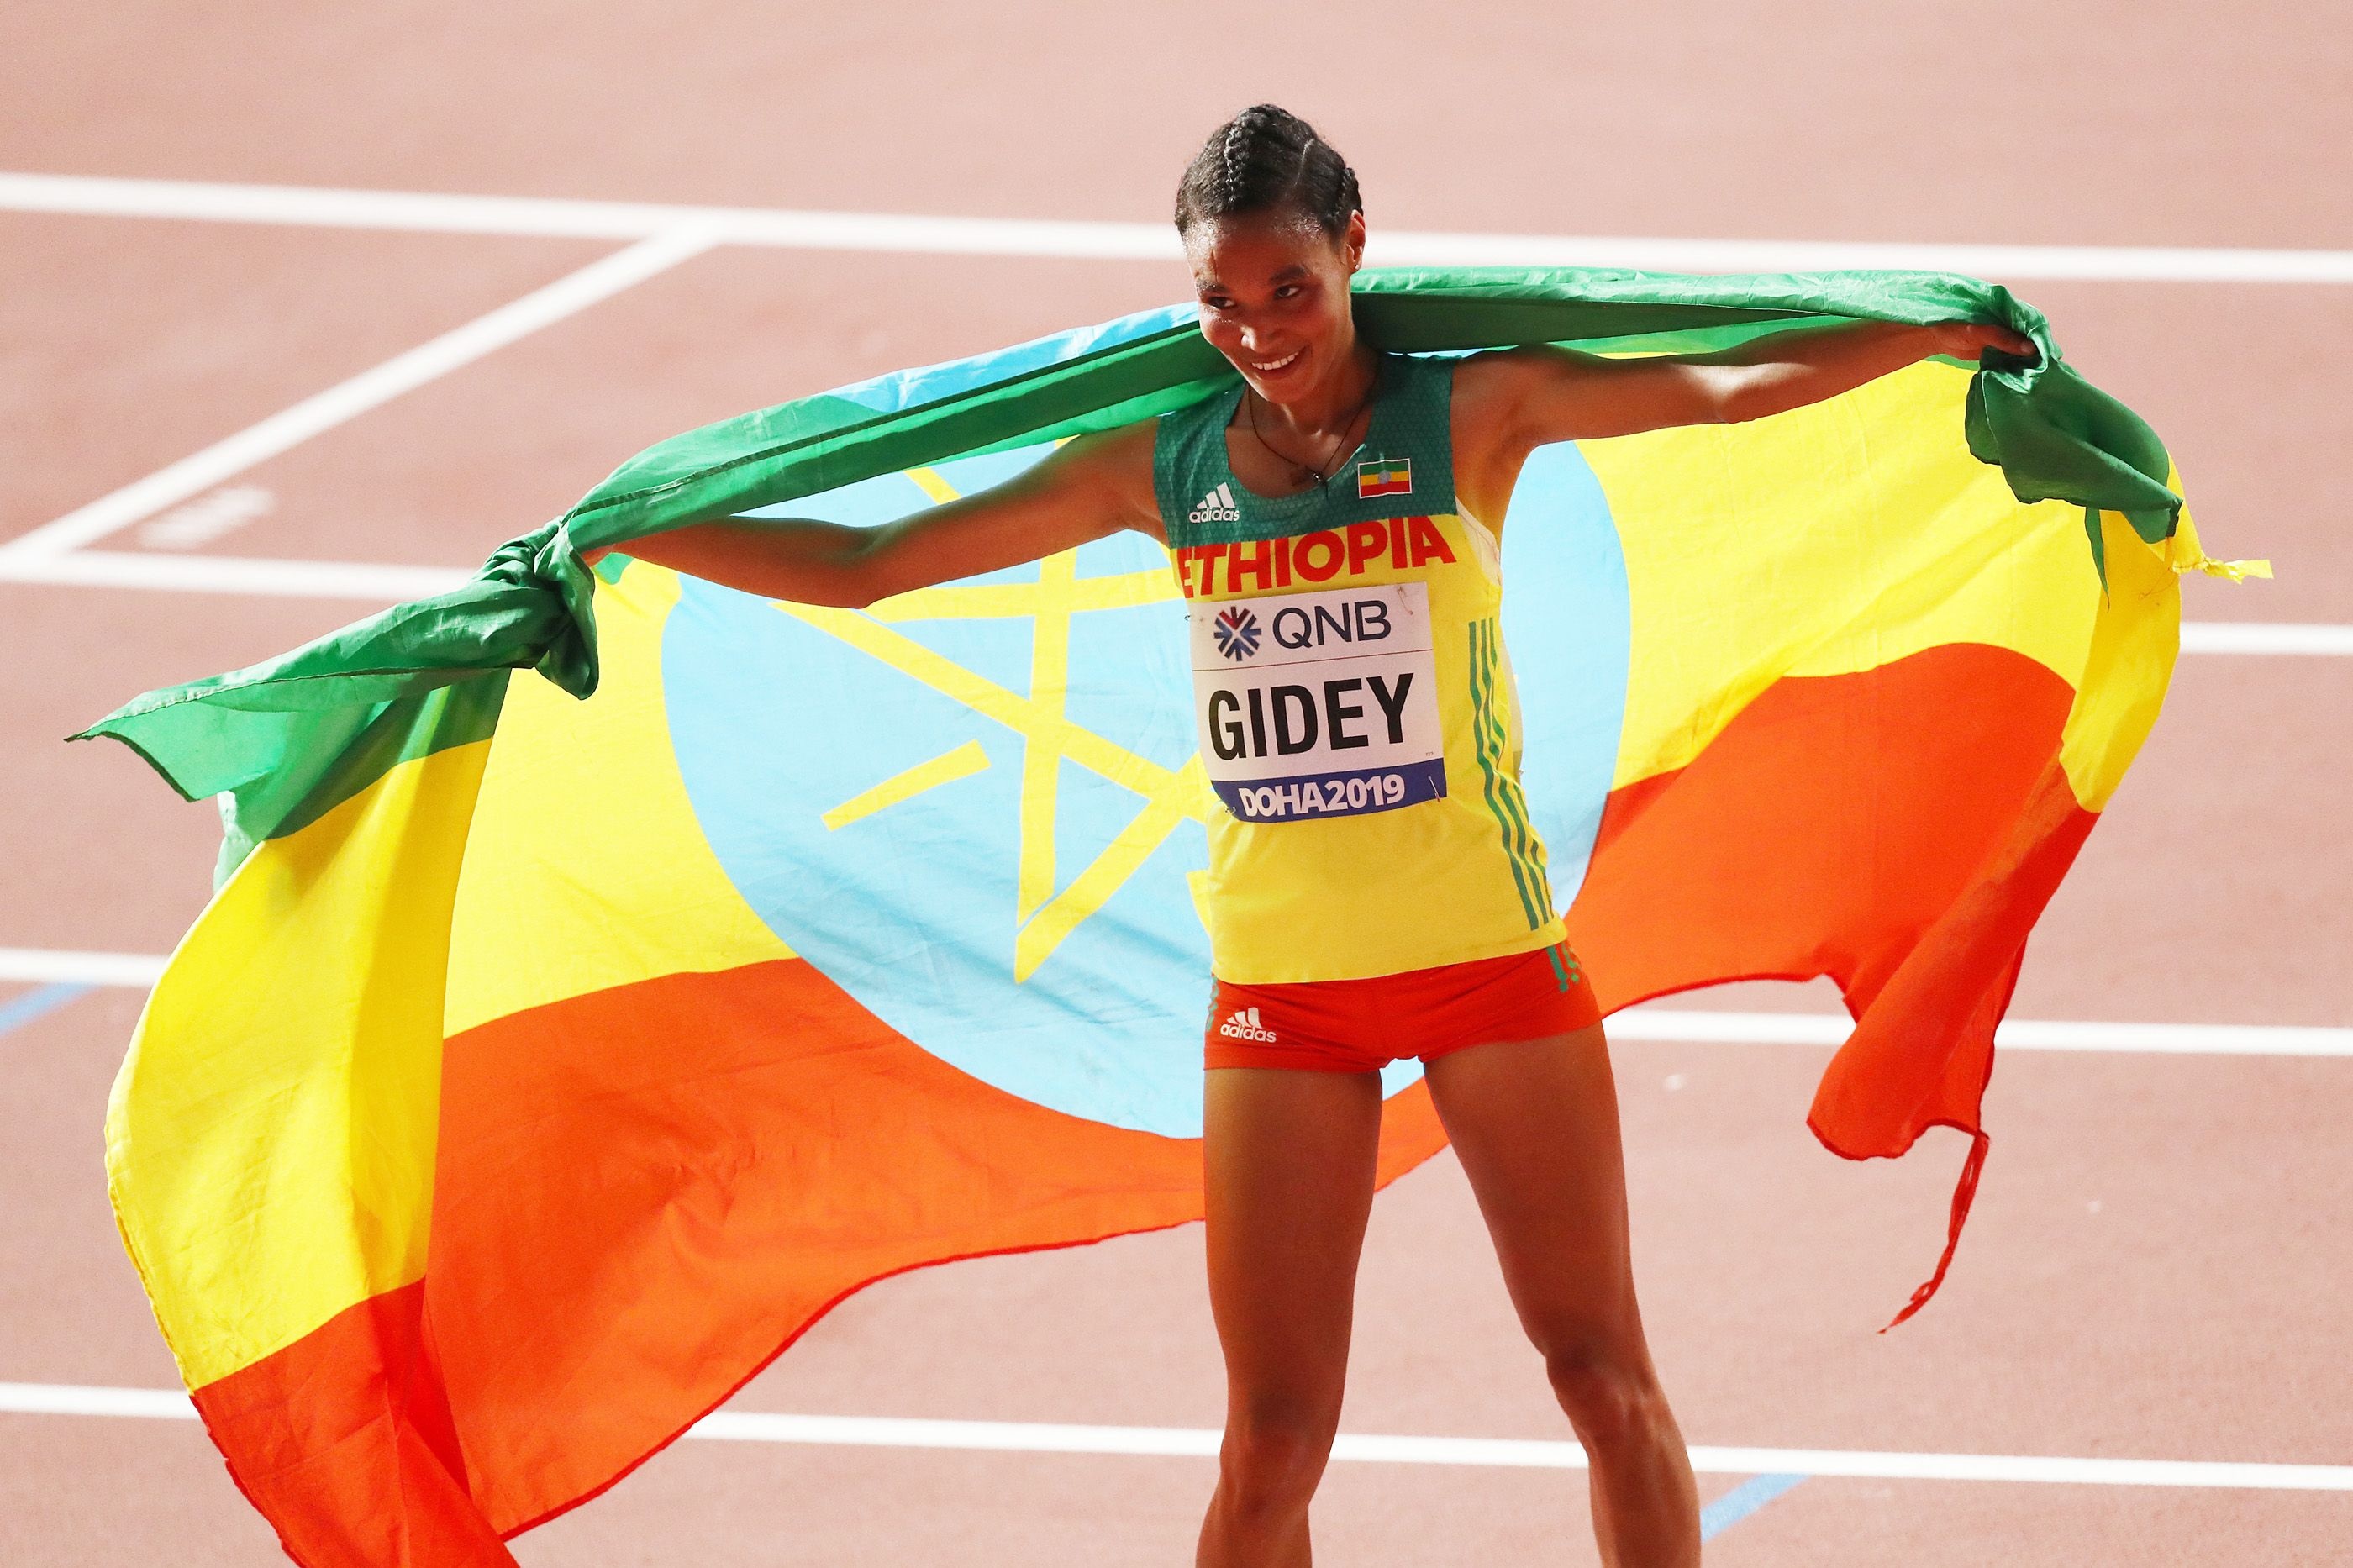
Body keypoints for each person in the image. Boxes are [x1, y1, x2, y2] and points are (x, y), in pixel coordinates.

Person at [612, 104, 2034, 1568]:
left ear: (1356, 248)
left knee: (1601, 1379)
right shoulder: (1157, 465)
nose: (1258, 329)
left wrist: (1927, 336)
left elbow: (1726, 384)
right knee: (1272, 1443)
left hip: (1491, 971)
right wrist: (620, 533)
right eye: (1221, 301)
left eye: (1289, 287)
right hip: (1284, 997)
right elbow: (869, 566)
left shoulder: (1475, 412)